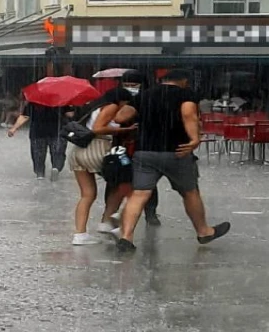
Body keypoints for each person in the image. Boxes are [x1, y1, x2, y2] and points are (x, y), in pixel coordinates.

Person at [114, 69, 231, 252]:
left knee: (140, 194)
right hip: (177, 152)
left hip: (145, 151)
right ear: (183, 81)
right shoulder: (186, 94)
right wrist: (194, 139)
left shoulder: (145, 95)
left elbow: (121, 116)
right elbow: (188, 114)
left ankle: (126, 237)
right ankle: (203, 231)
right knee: (190, 192)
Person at [65, 87, 138, 245]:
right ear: (121, 100)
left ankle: (80, 235)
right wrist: (124, 129)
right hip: (97, 148)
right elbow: (98, 128)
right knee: (127, 182)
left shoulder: (94, 106)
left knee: (87, 194)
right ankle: (110, 219)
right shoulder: (111, 106)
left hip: (78, 152)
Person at [102, 70, 162, 228]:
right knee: (117, 178)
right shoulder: (117, 98)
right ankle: (111, 212)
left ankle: (150, 212)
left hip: (142, 145)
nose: (130, 88)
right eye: (126, 85)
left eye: (134, 85)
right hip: (121, 145)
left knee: (147, 180)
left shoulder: (149, 99)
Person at [8, 102, 69, 181]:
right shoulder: (61, 100)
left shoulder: (34, 101)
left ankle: (40, 173)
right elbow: (70, 114)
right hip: (57, 131)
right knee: (58, 152)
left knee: (38, 155)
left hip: (37, 131)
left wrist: (14, 128)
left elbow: (25, 116)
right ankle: (56, 168)